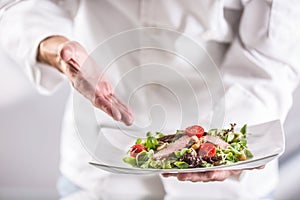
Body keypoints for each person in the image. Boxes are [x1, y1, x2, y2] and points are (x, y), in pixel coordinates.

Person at [1, 0, 299, 199]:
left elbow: (269, 59)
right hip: (100, 170)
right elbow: (24, 4)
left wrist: (224, 147)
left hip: (224, 184)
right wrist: (56, 49)